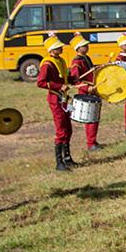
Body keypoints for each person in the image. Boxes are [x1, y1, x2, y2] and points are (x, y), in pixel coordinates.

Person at [36, 36, 74, 171]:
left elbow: (64, 77)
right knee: (61, 130)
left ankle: (68, 158)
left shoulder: (61, 60)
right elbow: (40, 82)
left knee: (68, 129)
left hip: (64, 99)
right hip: (55, 99)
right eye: (59, 47)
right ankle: (59, 162)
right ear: (52, 50)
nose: (62, 48)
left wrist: (72, 79)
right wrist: (58, 87)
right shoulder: (47, 64)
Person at [67, 35, 103, 152]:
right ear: (78, 48)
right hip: (86, 91)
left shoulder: (86, 58)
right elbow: (76, 80)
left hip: (93, 88)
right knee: (90, 117)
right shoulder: (77, 62)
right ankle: (91, 143)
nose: (87, 47)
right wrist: (87, 88)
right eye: (84, 46)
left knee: (95, 116)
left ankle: (94, 140)